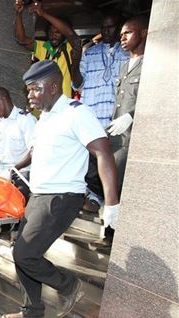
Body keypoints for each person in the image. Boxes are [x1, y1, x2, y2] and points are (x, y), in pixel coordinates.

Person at [1, 61, 119, 318]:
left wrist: (111, 203)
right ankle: (32, 312)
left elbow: (103, 152)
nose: (29, 95)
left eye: (34, 89)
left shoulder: (77, 113)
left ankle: (68, 284)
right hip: (39, 194)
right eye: (28, 90)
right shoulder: (46, 117)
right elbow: (34, 151)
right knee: (21, 250)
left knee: (24, 254)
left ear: (53, 87)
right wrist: (10, 169)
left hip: (61, 197)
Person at [92, 15, 148, 249]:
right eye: (122, 33)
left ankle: (113, 235)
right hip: (117, 136)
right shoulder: (126, 65)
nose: (122, 37)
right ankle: (109, 229)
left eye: (128, 33)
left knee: (120, 184)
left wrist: (132, 115)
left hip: (133, 137)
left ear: (143, 33)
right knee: (106, 180)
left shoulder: (152, 64)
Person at [74, 15, 129, 213]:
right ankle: (96, 199)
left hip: (116, 119)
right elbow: (77, 84)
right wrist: (75, 57)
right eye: (103, 27)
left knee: (114, 164)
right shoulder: (90, 53)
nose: (106, 31)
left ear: (119, 28)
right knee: (92, 165)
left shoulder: (128, 53)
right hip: (93, 116)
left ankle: (112, 205)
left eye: (111, 27)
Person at [14, 0, 82, 97]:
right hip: (41, 106)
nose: (53, 35)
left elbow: (74, 38)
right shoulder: (43, 47)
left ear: (64, 33)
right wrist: (18, 13)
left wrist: (43, 14)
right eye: (51, 32)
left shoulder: (69, 47)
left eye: (58, 32)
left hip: (61, 106)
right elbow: (22, 39)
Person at [0, 86, 36, 200]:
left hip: (23, 173)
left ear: (3, 100)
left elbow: (34, 150)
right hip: (1, 174)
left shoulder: (25, 120)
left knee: (14, 203)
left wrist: (13, 170)